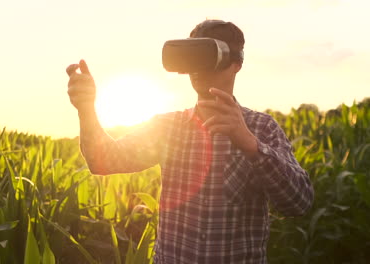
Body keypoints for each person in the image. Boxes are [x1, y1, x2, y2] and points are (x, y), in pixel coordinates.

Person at [66, 19, 314, 264]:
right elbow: (104, 160)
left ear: (236, 63)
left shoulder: (262, 128)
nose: (198, 69)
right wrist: (86, 109)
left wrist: (250, 144)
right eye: (192, 58)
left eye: (207, 56)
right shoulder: (168, 128)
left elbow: (299, 203)